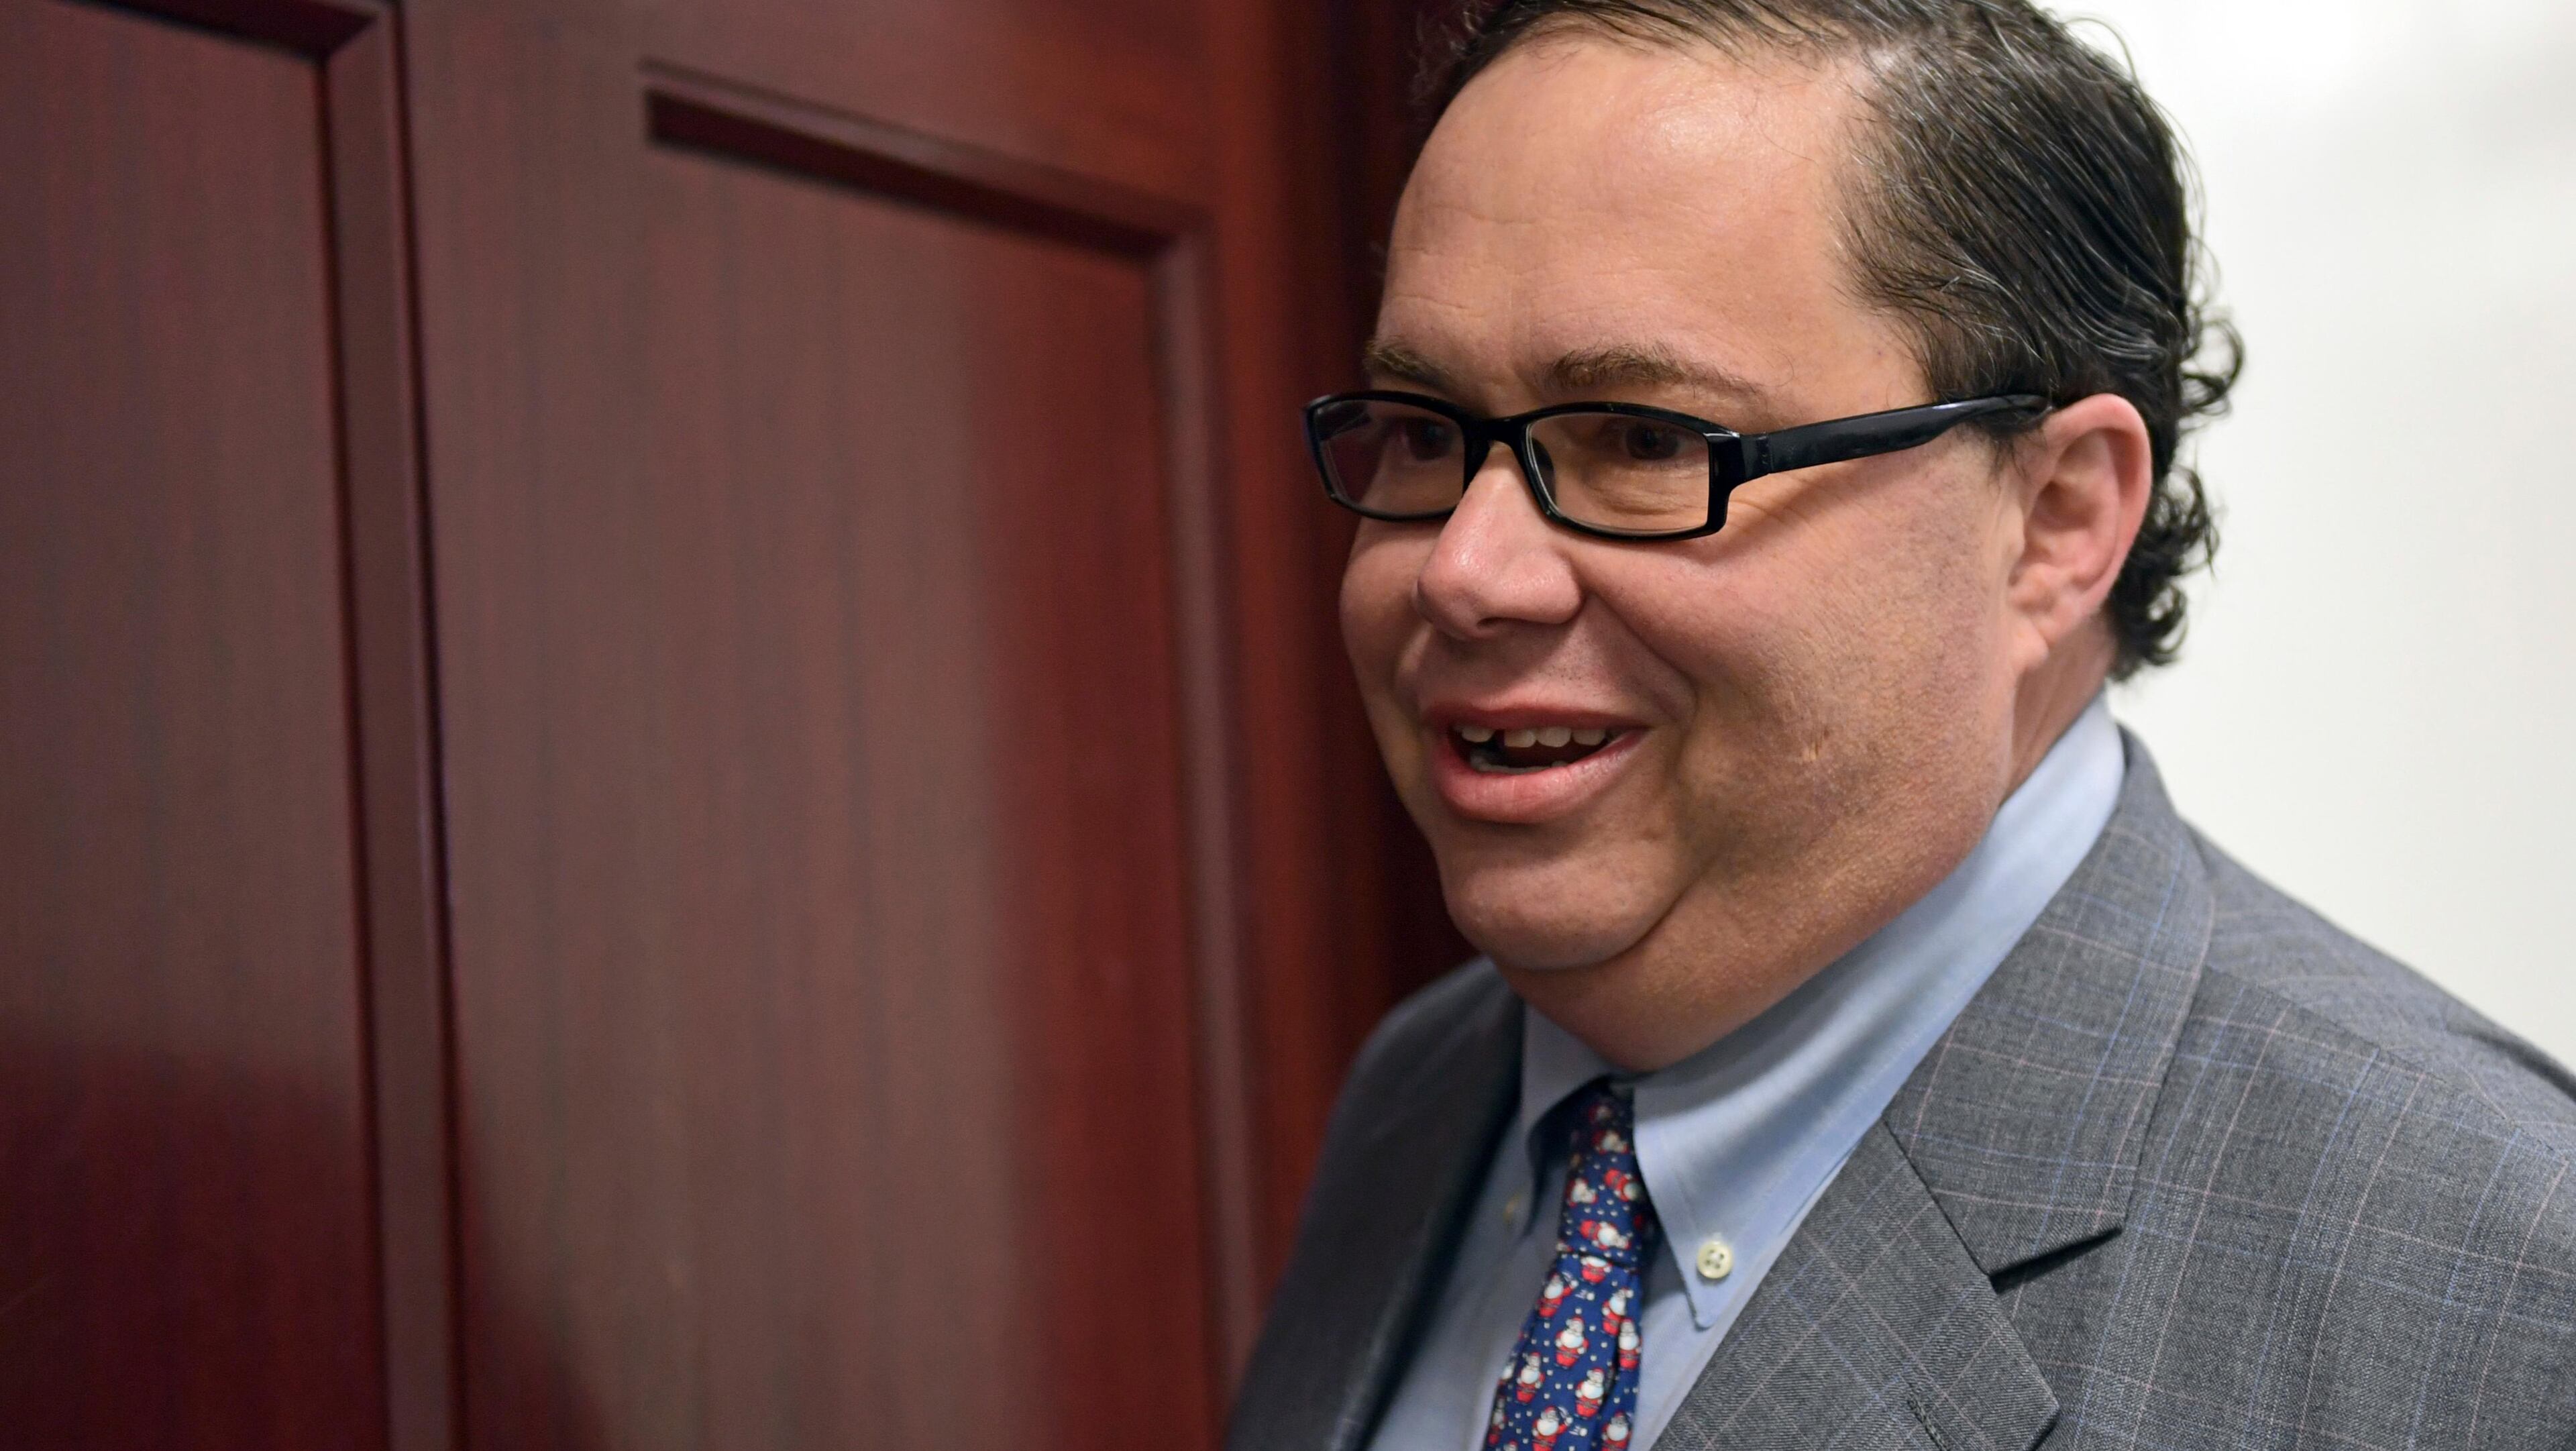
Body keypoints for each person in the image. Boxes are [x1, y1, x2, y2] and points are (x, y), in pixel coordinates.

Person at [1229, 3, 2576, 1448]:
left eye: (1645, 442)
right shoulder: (1421, 1094)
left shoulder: (2496, 1282)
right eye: (1425, 432)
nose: (1464, 571)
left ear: (2052, 522)